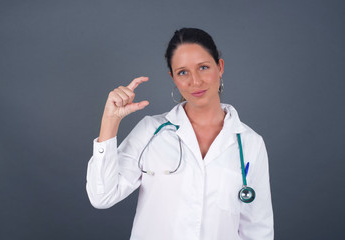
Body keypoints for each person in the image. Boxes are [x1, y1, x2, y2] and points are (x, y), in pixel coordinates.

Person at [86, 27, 274, 240]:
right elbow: (102, 196)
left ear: (219, 67)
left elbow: (258, 230)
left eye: (203, 67)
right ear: (173, 77)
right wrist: (110, 120)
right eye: (183, 72)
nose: (195, 81)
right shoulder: (151, 131)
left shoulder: (250, 143)